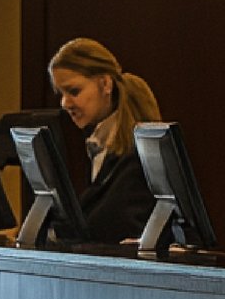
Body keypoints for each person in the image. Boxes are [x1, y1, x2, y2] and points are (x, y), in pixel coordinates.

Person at [48, 38, 161, 244]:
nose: (65, 103)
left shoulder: (137, 155)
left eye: (74, 91)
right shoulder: (99, 144)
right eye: (61, 93)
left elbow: (112, 224)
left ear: (105, 84)